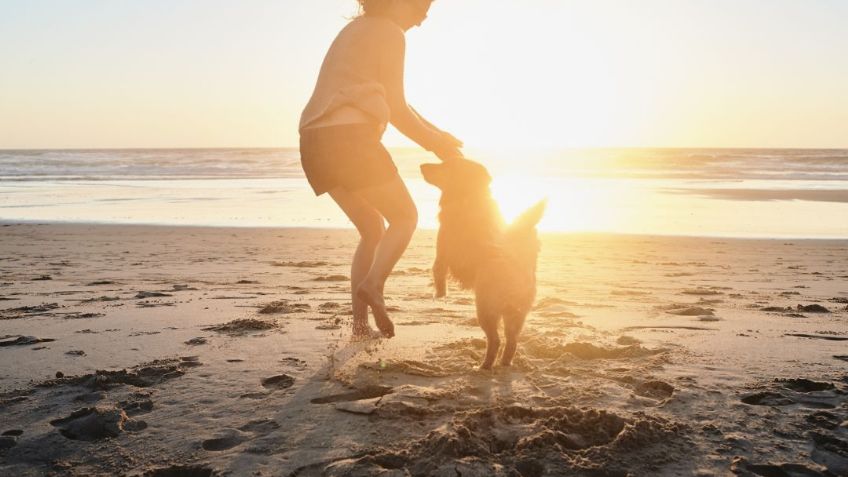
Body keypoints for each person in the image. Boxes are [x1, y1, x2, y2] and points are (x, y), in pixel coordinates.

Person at [299, 0, 463, 339]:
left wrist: (438, 134)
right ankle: (373, 284)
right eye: (423, 8)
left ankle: (360, 328)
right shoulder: (390, 32)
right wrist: (437, 145)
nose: (423, 19)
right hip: (350, 139)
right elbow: (398, 110)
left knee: (372, 229)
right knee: (406, 217)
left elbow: (395, 100)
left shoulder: (355, 29)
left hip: (314, 142)